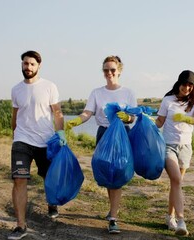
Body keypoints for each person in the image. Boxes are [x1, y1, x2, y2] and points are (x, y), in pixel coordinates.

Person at [65, 55, 136, 234]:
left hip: (121, 135)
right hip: (104, 134)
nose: (109, 73)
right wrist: (75, 121)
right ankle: (112, 209)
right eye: (106, 70)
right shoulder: (97, 92)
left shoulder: (128, 92)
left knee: (118, 174)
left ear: (119, 70)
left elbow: (134, 116)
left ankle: (113, 217)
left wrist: (127, 117)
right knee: (106, 173)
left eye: (112, 69)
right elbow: (88, 113)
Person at [8, 50, 67, 240]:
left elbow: (57, 113)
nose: (28, 67)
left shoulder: (49, 87)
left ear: (39, 66)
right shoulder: (16, 89)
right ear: (22, 65)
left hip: (45, 141)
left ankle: (52, 202)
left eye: (32, 64)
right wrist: (14, 135)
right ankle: (20, 225)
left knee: (48, 176)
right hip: (22, 141)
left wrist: (60, 133)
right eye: (25, 64)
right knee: (19, 180)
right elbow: (15, 116)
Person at [155, 70, 194, 236]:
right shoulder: (168, 100)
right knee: (176, 179)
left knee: (176, 184)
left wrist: (184, 118)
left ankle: (170, 216)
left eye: (190, 85)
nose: (187, 88)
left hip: (185, 147)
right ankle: (181, 221)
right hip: (168, 146)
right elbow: (160, 121)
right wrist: (146, 122)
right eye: (185, 84)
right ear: (179, 83)